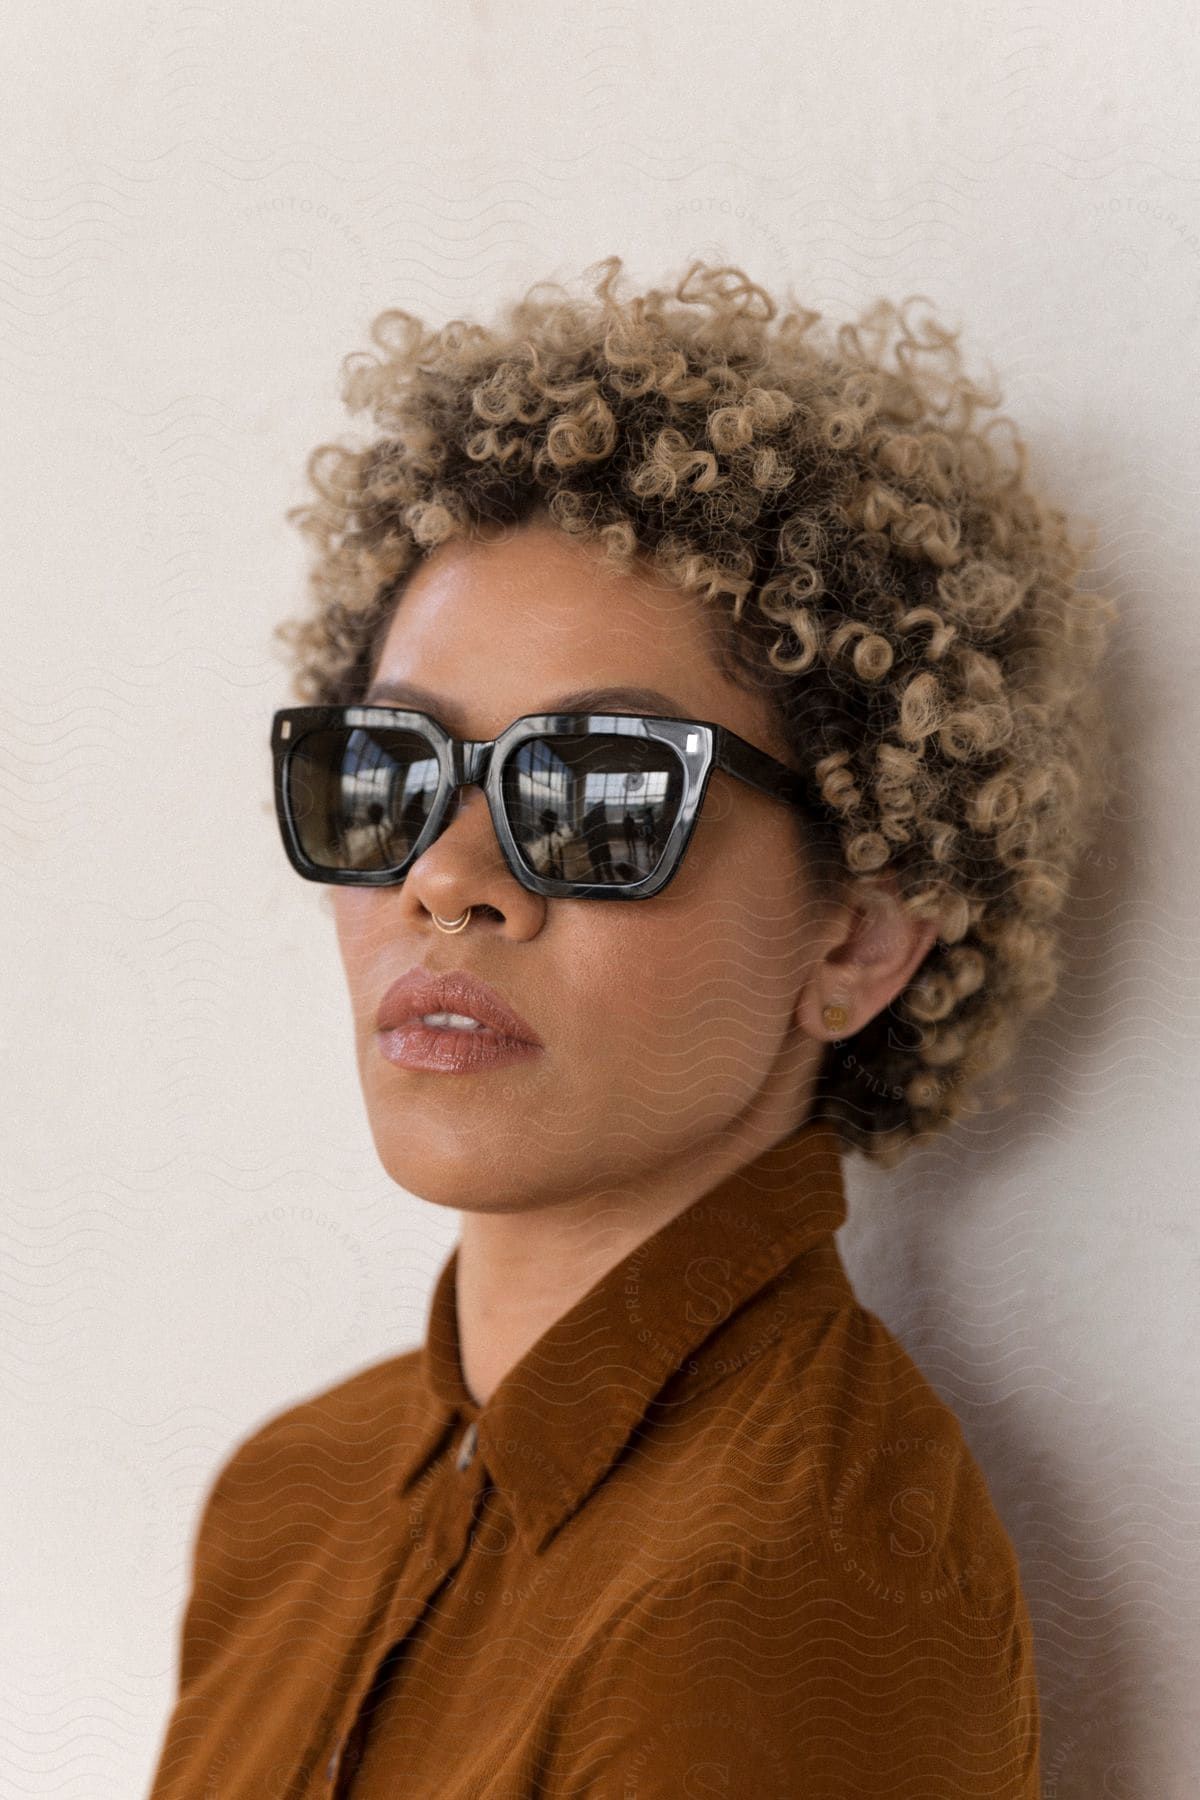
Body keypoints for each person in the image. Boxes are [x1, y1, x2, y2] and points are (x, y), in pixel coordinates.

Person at [146, 257, 1116, 1797]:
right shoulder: (291, 1499)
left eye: (591, 794)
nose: (447, 881)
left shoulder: (797, 1587)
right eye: (391, 771)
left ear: (861, 935)